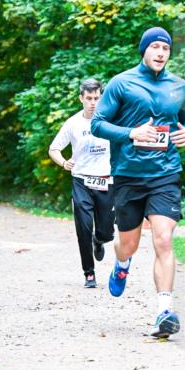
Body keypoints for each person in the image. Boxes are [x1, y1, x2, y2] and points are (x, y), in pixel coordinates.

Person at [91, 27, 185, 338]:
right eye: (155, 47)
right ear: (144, 50)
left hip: (165, 173)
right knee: (129, 244)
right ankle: (122, 264)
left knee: (163, 239)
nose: (161, 53)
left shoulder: (179, 86)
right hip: (128, 175)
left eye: (166, 48)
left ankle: (164, 311)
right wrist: (131, 133)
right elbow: (97, 124)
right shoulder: (121, 83)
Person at [48, 78, 116, 288]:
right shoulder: (73, 123)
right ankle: (89, 273)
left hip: (107, 181)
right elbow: (53, 149)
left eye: (97, 98)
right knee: (84, 228)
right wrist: (63, 163)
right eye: (89, 98)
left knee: (106, 232)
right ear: (81, 98)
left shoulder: (111, 120)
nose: (93, 103)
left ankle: (99, 240)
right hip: (82, 181)